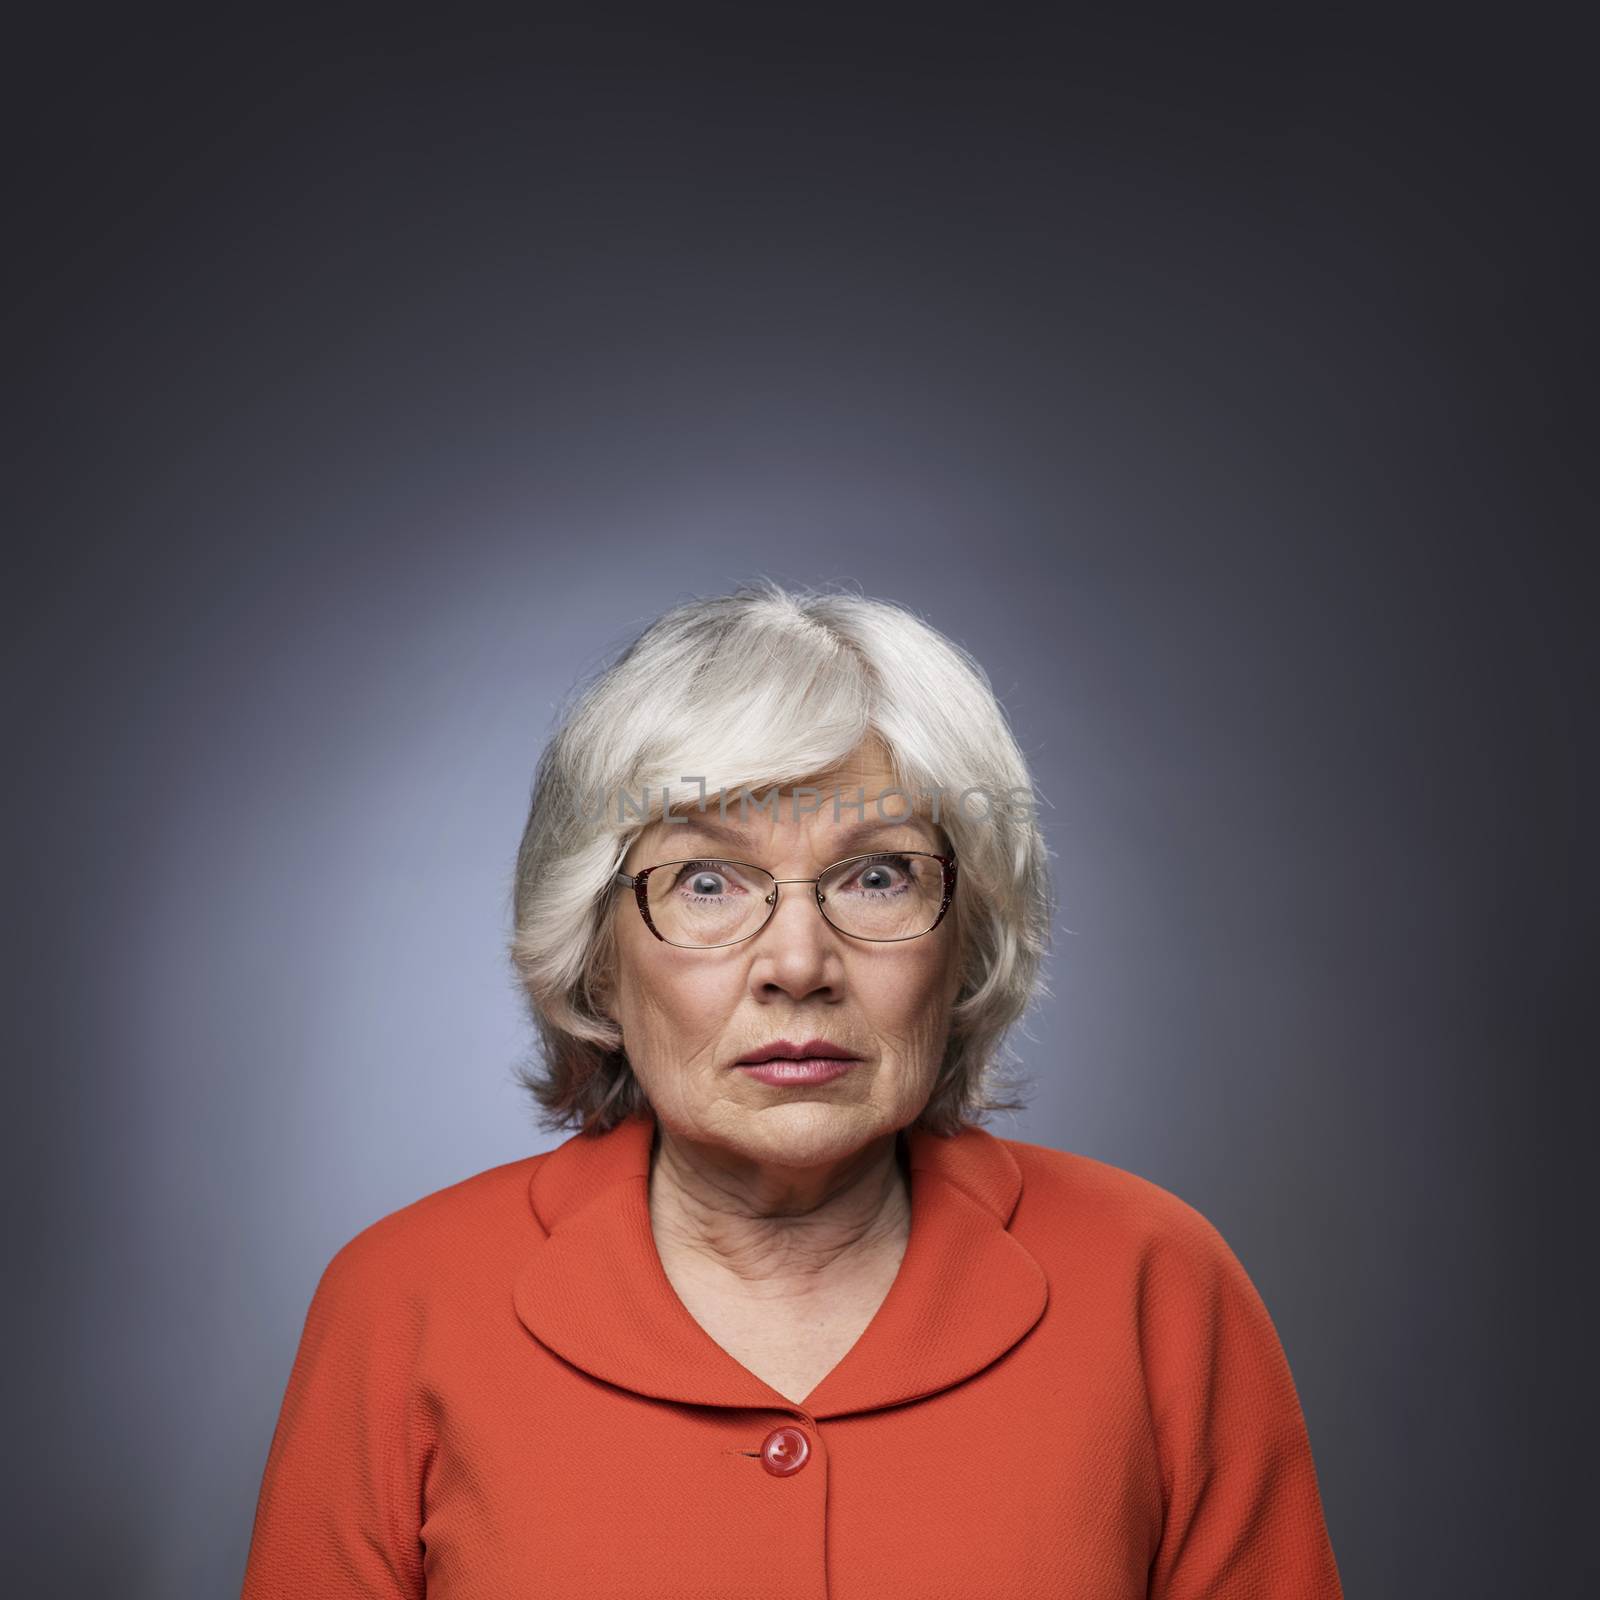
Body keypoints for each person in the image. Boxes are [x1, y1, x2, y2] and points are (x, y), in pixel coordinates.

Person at [239, 579, 1345, 1597]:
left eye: (877, 875)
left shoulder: (1158, 1284)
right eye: (707, 880)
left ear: (968, 937)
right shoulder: (403, 1303)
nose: (799, 963)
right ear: (596, 952)